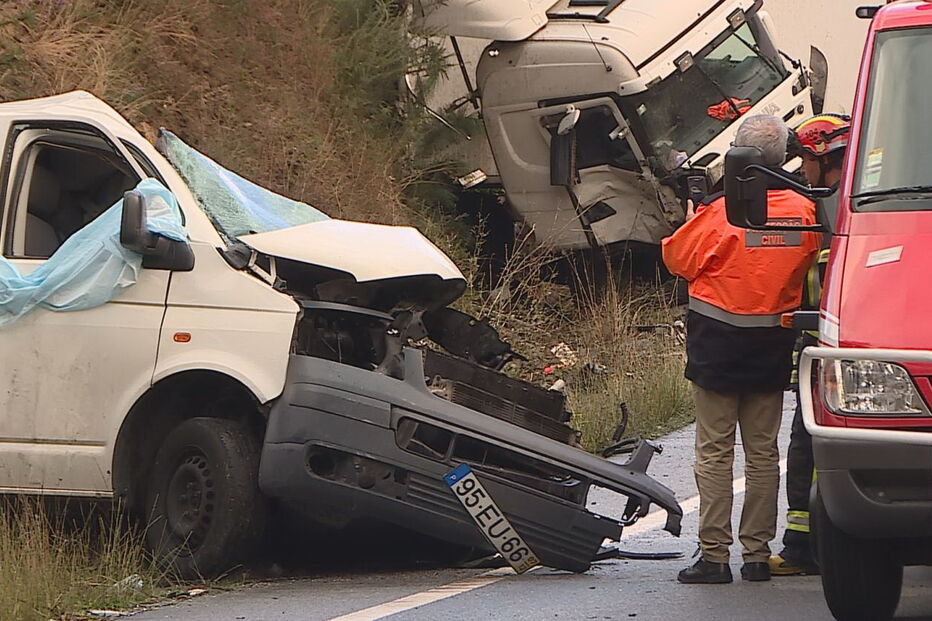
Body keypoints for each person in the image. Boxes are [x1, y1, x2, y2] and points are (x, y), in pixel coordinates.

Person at [662, 115, 822, 584]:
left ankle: (714, 557)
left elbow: (677, 259)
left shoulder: (722, 212)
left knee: (714, 453)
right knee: (762, 453)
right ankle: (757, 555)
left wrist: (693, 219)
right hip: (772, 346)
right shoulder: (805, 209)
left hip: (717, 348)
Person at [769, 114, 851, 576]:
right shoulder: (851, 200)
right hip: (835, 341)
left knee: (809, 444)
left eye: (805, 160)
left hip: (825, 346)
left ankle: (804, 547)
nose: (801, 170)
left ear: (823, 159)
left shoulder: (823, 205)